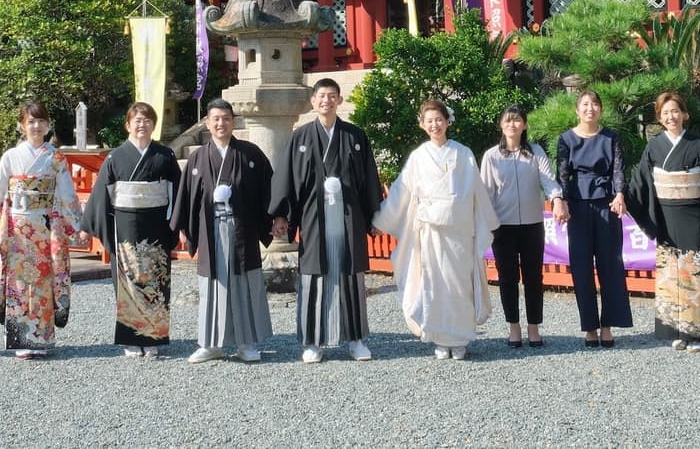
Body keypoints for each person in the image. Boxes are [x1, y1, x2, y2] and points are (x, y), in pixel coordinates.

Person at [269, 78, 383, 364]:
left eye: (332, 96)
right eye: (321, 96)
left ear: (339, 101)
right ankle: (313, 341)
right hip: (314, 215)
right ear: (313, 101)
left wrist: (374, 214)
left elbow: (369, 179)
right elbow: (285, 176)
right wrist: (281, 214)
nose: (326, 101)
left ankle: (356, 339)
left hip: (349, 216)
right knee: (314, 276)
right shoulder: (301, 137)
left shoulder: (355, 136)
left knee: (350, 276)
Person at [373, 99, 498, 360]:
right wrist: (381, 219)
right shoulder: (418, 157)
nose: (435, 125)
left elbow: (476, 191)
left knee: (459, 283)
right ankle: (440, 338)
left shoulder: (463, 153)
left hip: (459, 230)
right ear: (422, 125)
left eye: (438, 119)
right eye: (429, 121)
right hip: (430, 232)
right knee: (434, 283)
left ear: (447, 121)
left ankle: (460, 337)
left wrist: (486, 222)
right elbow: (402, 191)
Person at [171, 99, 274, 364]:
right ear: (207, 122)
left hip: (243, 230)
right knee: (212, 285)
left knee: (243, 284)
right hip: (210, 229)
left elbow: (268, 190)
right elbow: (187, 195)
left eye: (226, 118)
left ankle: (246, 343)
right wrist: (184, 225)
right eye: (215, 118)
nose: (221, 123)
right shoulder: (197, 157)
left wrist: (276, 218)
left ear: (234, 122)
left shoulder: (250, 154)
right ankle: (210, 343)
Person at [82, 101, 181, 356]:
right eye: (137, 120)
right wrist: (90, 225)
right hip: (123, 225)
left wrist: (178, 224)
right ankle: (131, 337)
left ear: (154, 125)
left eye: (147, 120)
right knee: (127, 280)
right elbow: (101, 195)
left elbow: (179, 193)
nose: (142, 125)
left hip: (156, 224)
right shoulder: (116, 156)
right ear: (128, 124)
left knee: (155, 279)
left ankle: (153, 338)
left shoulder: (165, 155)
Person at [626, 91, 700, 352]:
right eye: (665, 112)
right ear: (660, 117)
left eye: (675, 111)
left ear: (685, 114)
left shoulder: (699, 144)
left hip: (693, 214)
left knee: (694, 271)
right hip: (666, 215)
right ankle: (677, 330)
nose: (671, 116)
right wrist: (623, 196)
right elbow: (640, 182)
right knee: (670, 273)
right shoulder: (654, 146)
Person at [0, 102, 82, 359]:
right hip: (17, 227)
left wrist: (75, 224)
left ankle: (41, 338)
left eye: (40, 121)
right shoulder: (10, 157)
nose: (36, 126)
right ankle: (19, 339)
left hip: (44, 227)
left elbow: (65, 193)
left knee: (43, 281)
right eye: (30, 121)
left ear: (48, 125)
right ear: (22, 126)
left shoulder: (55, 158)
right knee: (17, 284)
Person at [480, 105, 564, 348]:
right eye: (508, 120)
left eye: (517, 120)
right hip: (502, 227)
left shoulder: (535, 152)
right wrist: (485, 222)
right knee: (507, 278)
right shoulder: (491, 156)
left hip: (532, 224)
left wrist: (557, 199)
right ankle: (513, 327)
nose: (512, 125)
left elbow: (548, 180)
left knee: (533, 277)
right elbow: (485, 193)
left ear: (524, 125)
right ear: (501, 125)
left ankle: (534, 327)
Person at [555, 90, 632, 348]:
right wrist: (562, 200)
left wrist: (620, 193)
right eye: (585, 105)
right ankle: (589, 326)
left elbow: (619, 168)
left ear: (600, 109)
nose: (590, 109)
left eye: (595, 104)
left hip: (606, 203)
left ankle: (608, 325)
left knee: (610, 264)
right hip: (577, 205)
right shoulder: (566, 139)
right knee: (581, 266)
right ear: (577, 110)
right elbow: (563, 173)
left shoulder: (610, 137)